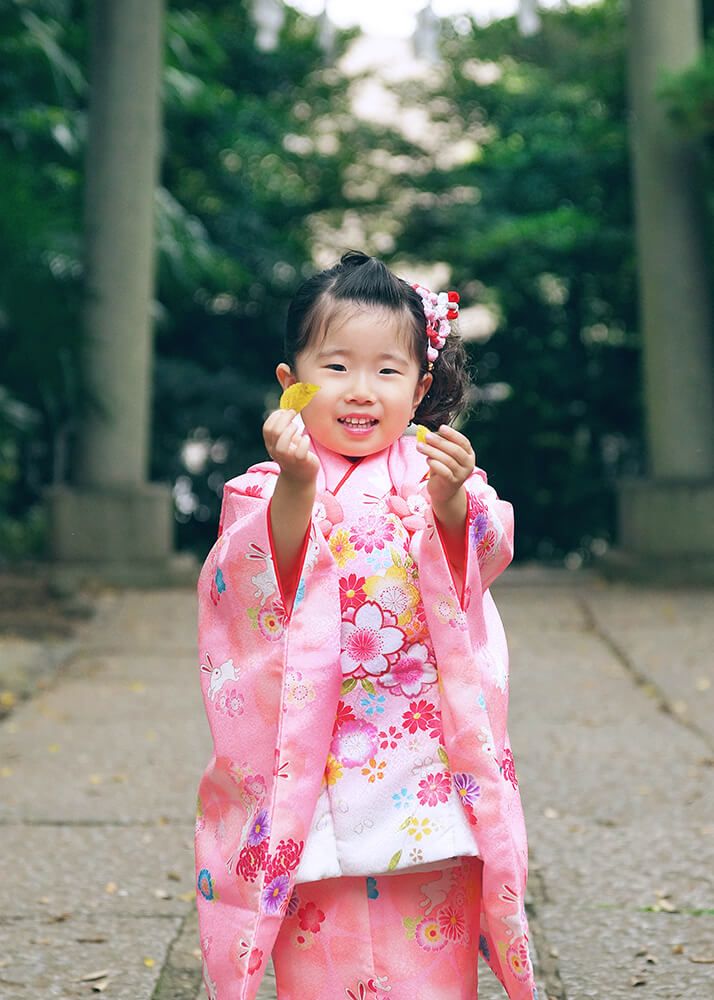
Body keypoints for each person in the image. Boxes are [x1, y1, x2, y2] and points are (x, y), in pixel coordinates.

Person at [194, 250, 537, 1000]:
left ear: (419, 388)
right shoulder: (265, 484)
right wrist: (297, 487)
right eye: (337, 366)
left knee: (428, 951)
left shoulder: (441, 473)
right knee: (323, 940)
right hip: (308, 761)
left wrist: (451, 507)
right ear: (292, 384)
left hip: (419, 758)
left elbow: (485, 554)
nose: (361, 390)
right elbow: (256, 580)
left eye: (387, 371)